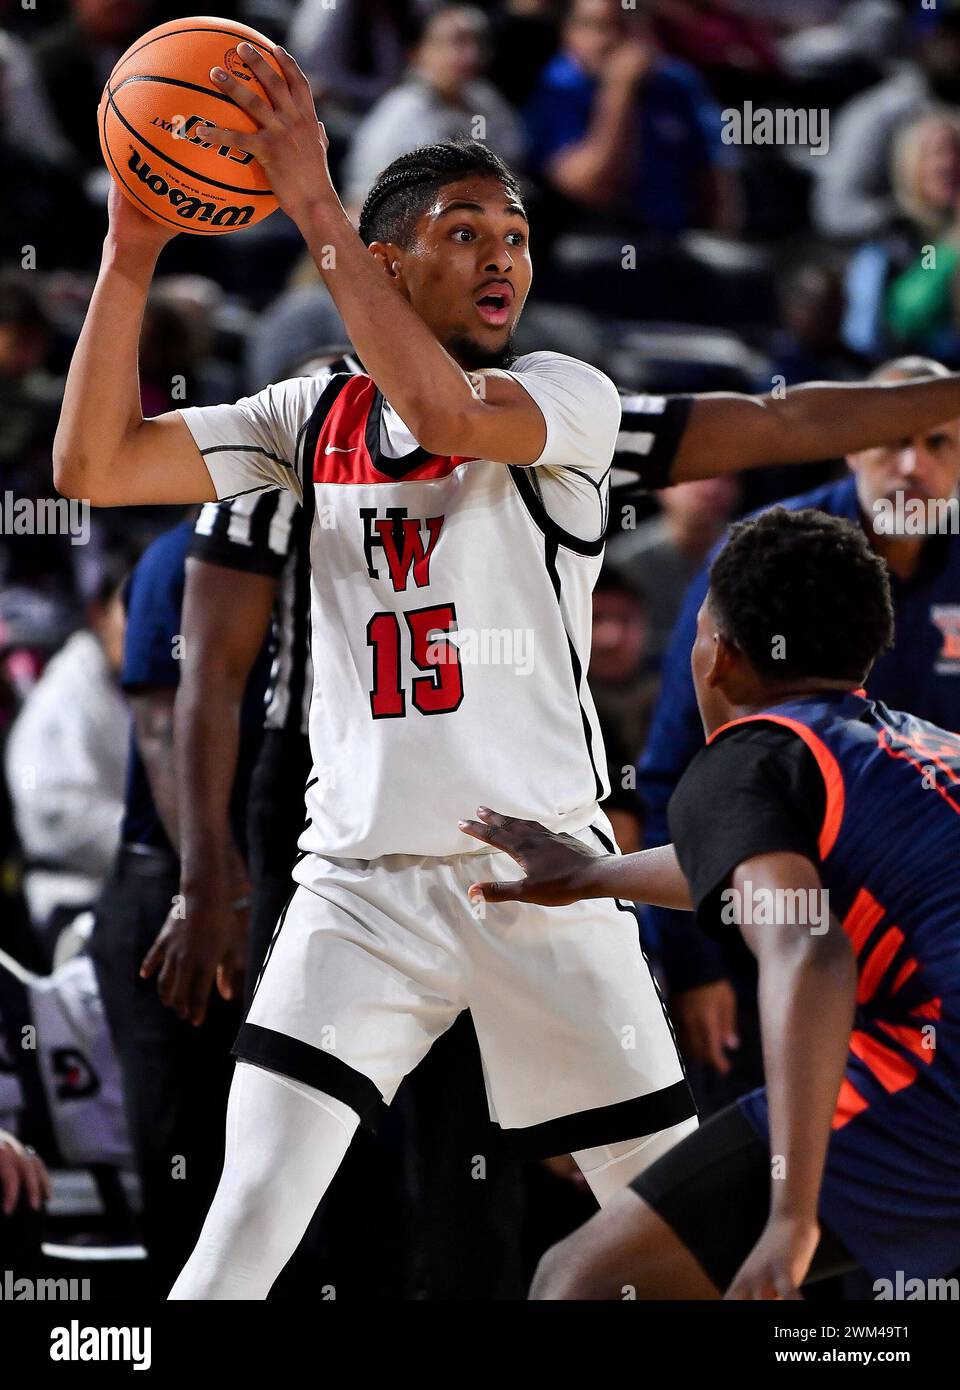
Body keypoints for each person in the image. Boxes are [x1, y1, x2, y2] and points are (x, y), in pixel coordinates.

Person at [53, 39, 960, 1297]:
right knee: (238, 1234)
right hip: (358, 887)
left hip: (540, 881)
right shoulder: (301, 419)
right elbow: (91, 469)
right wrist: (131, 251)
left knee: (675, 1231)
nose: (504, 257)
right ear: (384, 260)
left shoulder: (560, 395)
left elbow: (448, 420)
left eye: (519, 235)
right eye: (464, 230)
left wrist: (310, 195)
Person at [463, 507, 960, 1298]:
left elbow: (808, 944)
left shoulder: (744, 759)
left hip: (937, 1078)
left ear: (716, 656)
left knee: (578, 1282)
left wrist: (791, 1218)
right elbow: (762, 865)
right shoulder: (914, 747)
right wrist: (594, 875)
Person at [638, 354, 960, 1107]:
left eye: (939, 444)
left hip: (934, 934)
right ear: (852, 442)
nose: (911, 465)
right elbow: (675, 769)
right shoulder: (764, 556)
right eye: (890, 439)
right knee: (767, 1159)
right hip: (773, 925)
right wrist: (694, 966)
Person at [523, 0, 741, 234]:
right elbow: (590, 188)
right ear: (566, 32)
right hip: (596, 238)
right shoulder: (559, 86)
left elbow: (715, 181)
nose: (606, 41)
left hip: (678, 239)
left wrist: (716, 240)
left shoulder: (677, 83)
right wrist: (619, 91)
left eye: (621, 27)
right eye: (591, 26)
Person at [341, 6, 526, 216]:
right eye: (456, 42)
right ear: (419, 51)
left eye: (477, 42)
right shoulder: (400, 111)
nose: (471, 54)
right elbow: (368, 198)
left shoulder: (485, 98)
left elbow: (514, 162)